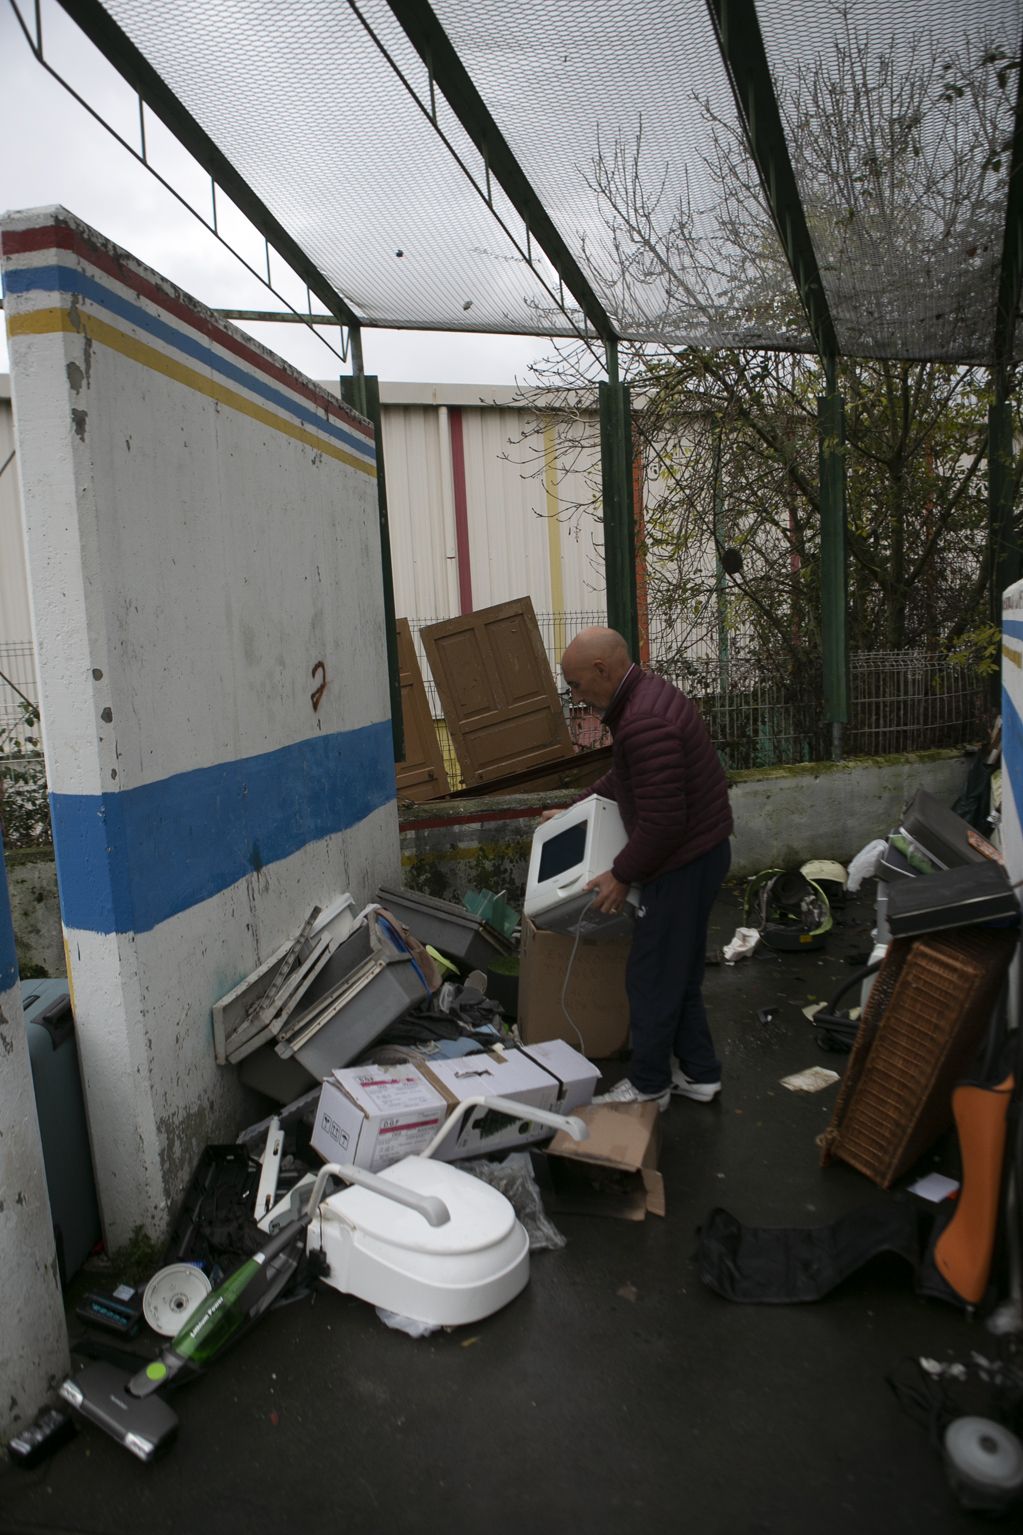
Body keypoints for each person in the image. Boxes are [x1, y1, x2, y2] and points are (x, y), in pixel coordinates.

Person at [551, 626, 733, 1111]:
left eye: (576, 684)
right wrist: (574, 811)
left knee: (652, 975)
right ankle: (699, 1072)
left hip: (683, 863)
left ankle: (650, 1084)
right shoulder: (643, 700)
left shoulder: (644, 720)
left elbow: (664, 823)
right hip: (699, 854)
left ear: (601, 670)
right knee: (678, 971)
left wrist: (621, 874)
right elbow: (624, 778)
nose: (576, 696)